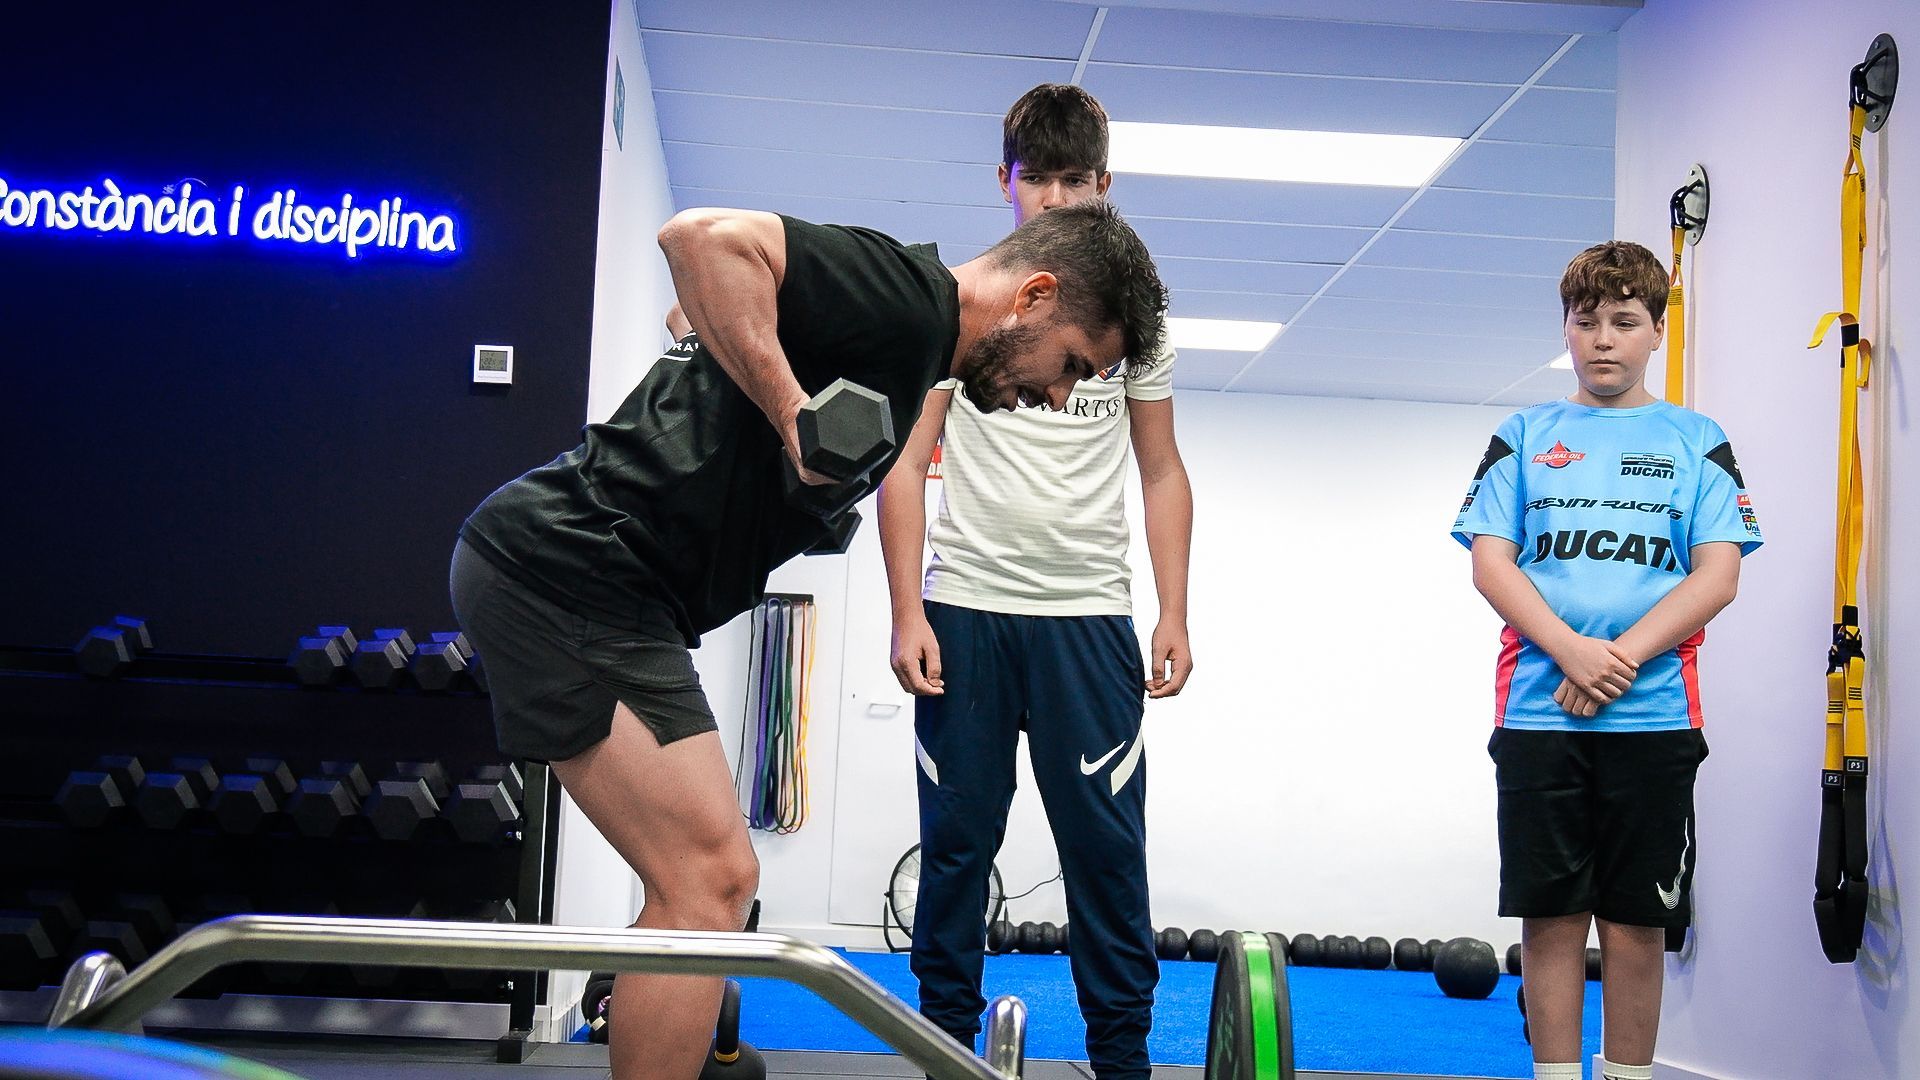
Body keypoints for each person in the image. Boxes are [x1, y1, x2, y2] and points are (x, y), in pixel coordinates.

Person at [451, 200, 1167, 1080]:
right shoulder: (910, 299)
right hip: (574, 575)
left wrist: (753, 373)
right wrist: (791, 410)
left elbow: (695, 314)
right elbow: (700, 242)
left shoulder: (908, 359)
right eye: (1071, 366)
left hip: (609, 594)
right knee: (710, 879)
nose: (1059, 396)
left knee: (702, 885)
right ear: (1034, 297)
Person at [877, 84, 1192, 1080]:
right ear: (1004, 183)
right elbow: (903, 460)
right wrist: (903, 609)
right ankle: (943, 1048)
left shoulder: (1139, 322)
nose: (1054, 198)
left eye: (1075, 180)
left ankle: (1121, 1060)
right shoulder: (959, 304)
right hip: (963, 611)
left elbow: (1161, 469)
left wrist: (1174, 608)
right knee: (958, 845)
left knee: (1106, 850)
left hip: (1088, 620)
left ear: (1105, 186)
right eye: (1036, 178)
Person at [1451, 240, 1762, 1080]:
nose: (1603, 340)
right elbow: (1491, 561)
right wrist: (1572, 654)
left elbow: (1719, 574)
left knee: (1636, 921)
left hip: (1655, 718)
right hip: (1537, 713)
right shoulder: (1522, 434)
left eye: (1624, 322)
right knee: (1552, 916)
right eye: (1586, 322)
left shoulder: (1698, 440)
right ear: (1567, 329)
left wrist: (1616, 659)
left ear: (1656, 331)